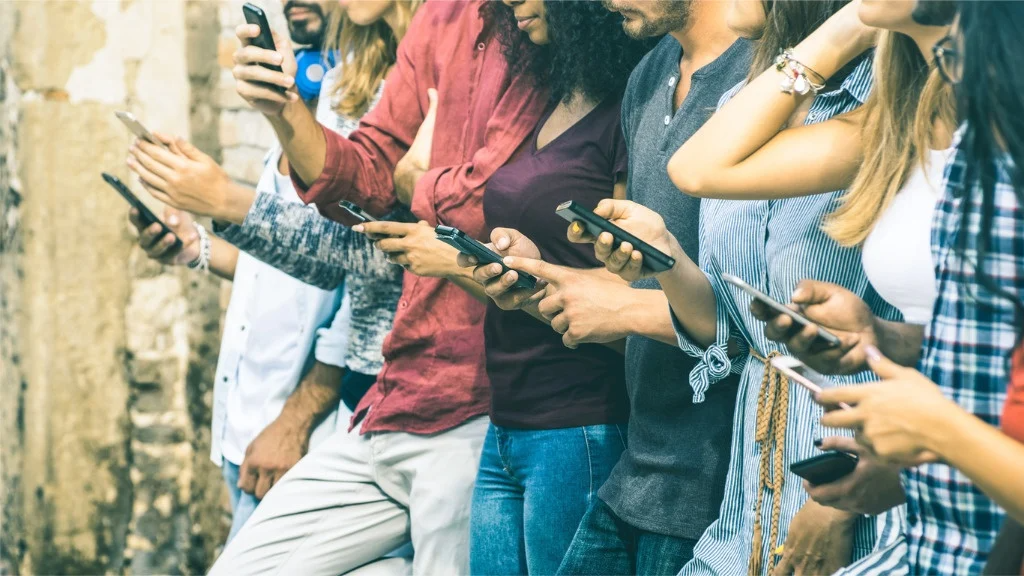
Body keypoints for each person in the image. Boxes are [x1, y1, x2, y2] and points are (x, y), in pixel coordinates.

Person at [131, 0, 550, 573]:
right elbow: (371, 183)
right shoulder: (422, 32)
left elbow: (447, 223)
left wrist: (415, 184)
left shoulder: (539, 23)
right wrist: (282, 112)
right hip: (389, 395)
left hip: (474, 399)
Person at [553, 1, 912, 573]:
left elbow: (930, 334)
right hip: (746, 506)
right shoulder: (739, 111)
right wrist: (666, 259)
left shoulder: (885, 110)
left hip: (848, 479)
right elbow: (730, 328)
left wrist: (841, 505)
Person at [488, 1, 751, 574]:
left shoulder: (764, 76)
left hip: (718, 486)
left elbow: (759, 314)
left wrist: (627, 310)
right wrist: (542, 278)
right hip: (640, 465)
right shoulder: (650, 73)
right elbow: (642, 275)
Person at [795, 2, 1024, 573]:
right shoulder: (975, 146)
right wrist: (885, 339)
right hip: (939, 542)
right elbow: (990, 359)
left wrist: (937, 430)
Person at [126, 0, 355, 543]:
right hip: (247, 422)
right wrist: (194, 247)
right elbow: (284, 268)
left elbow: (371, 291)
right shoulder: (295, 115)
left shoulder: (365, 119)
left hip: (305, 435)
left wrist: (295, 423)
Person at [454, 1, 653, 573]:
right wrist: (520, 260)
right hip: (508, 420)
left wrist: (543, 274)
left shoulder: (624, 110)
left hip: (581, 421)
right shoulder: (551, 96)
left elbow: (633, 278)